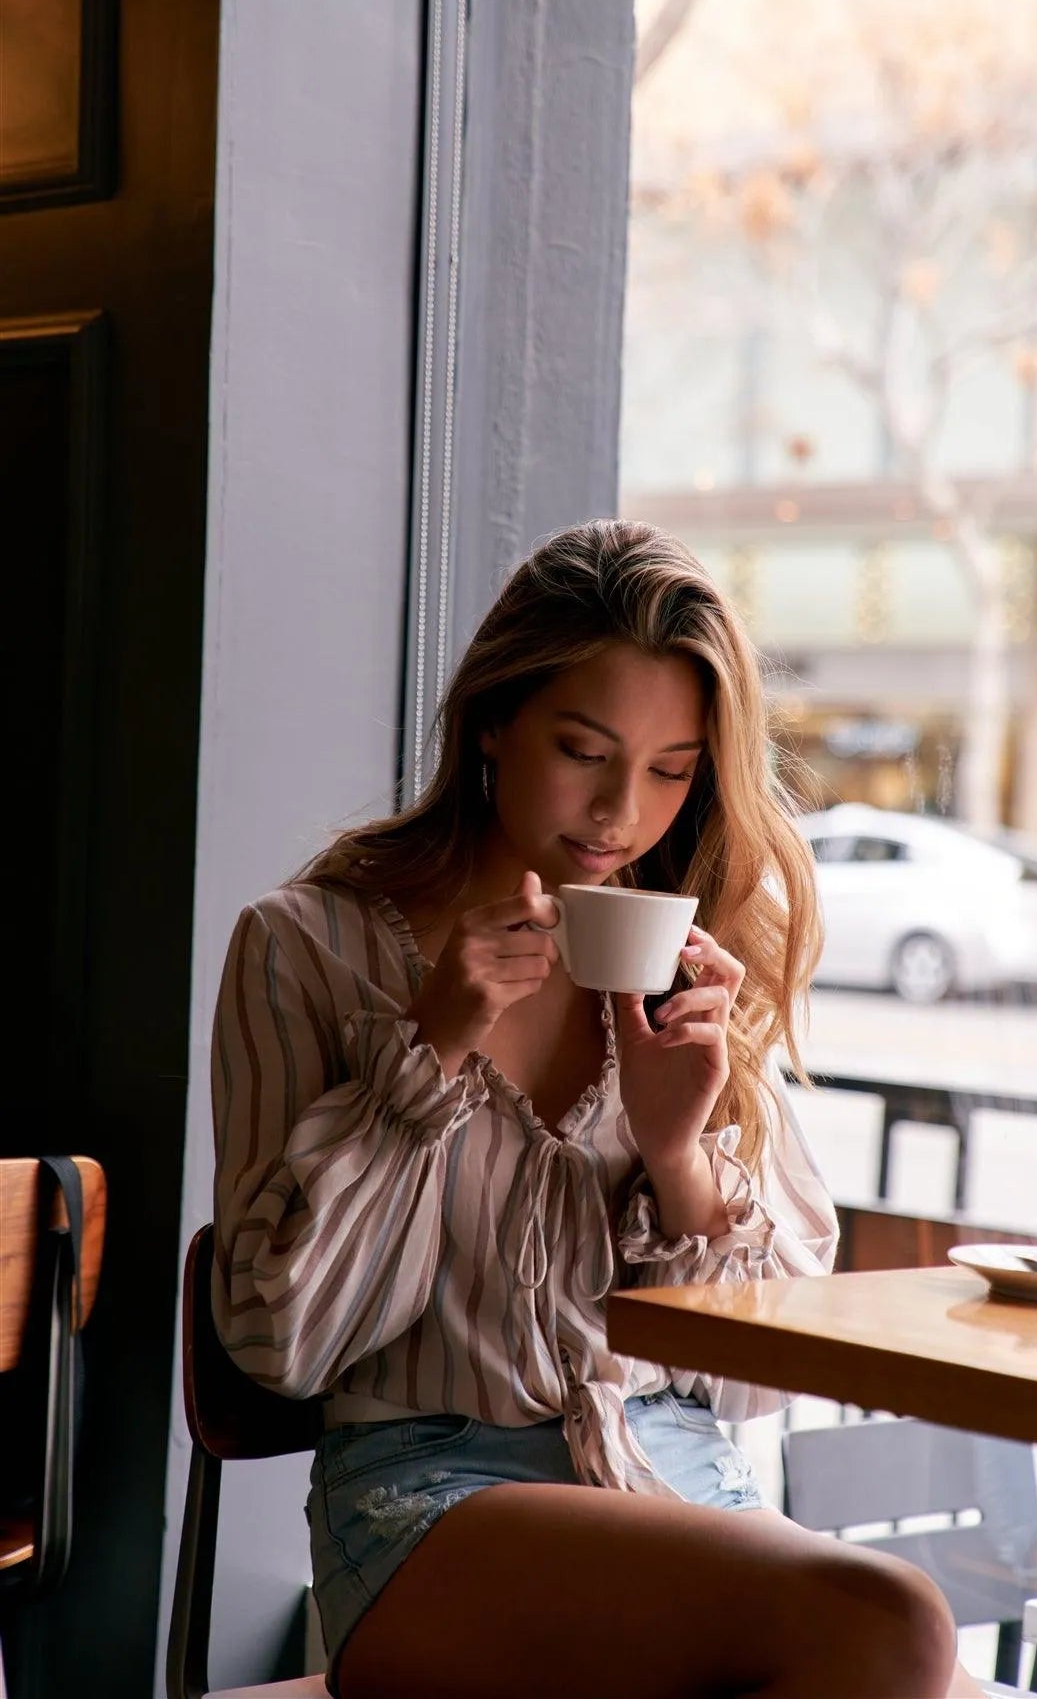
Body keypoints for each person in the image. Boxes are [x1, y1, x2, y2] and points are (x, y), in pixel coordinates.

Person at [211, 520, 983, 1699]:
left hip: (675, 1471)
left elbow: (760, 1380)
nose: (622, 812)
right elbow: (280, 1343)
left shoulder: (690, 957)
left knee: (918, 1663)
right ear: (492, 720)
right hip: (426, 1496)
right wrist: (425, 1056)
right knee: (895, 1626)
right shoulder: (306, 946)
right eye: (584, 751)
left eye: (672, 770)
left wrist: (680, 1157)